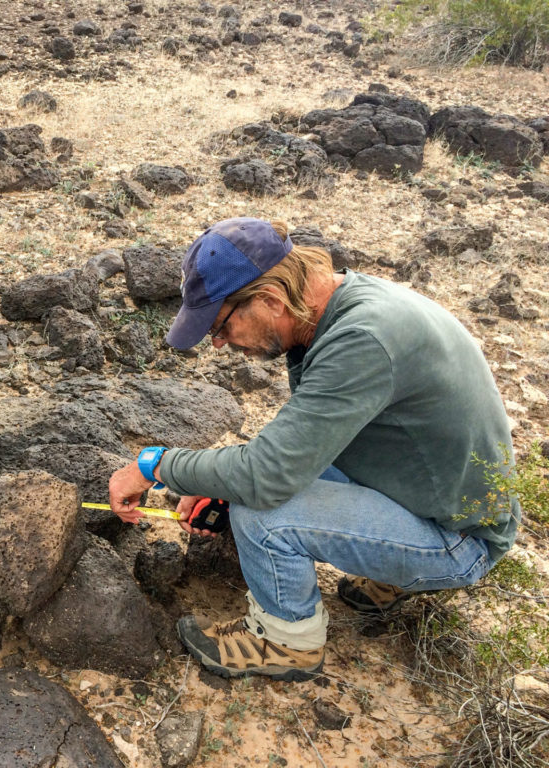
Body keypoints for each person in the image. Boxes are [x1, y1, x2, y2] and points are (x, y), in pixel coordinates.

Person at [108, 217, 520, 681]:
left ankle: (285, 643)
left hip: (460, 539)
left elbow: (266, 477)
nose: (220, 344)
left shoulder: (362, 339)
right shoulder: (343, 304)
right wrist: (216, 482)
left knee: (261, 512)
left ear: (269, 300)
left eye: (221, 326)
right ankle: (390, 571)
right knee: (245, 484)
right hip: (434, 495)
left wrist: (154, 465)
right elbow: (303, 441)